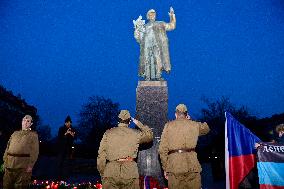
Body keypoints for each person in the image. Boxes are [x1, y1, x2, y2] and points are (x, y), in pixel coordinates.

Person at [97, 110, 153, 189]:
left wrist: (103, 173)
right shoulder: (136, 134)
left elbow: (101, 155)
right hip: (129, 171)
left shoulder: (108, 133)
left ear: (118, 120)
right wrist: (138, 123)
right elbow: (149, 136)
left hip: (111, 171)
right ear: (129, 122)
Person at [158, 104, 210, 189]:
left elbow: (162, 150)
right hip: (192, 165)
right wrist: (191, 120)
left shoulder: (168, 126)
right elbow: (206, 128)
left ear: (175, 114)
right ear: (186, 114)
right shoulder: (194, 125)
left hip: (174, 165)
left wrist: (165, 167)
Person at [134, 7, 176, 81]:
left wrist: (172, 16)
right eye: (150, 14)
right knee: (147, 61)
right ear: (148, 16)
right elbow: (138, 38)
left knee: (158, 60)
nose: (152, 16)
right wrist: (137, 29)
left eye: (153, 14)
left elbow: (171, 26)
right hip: (147, 46)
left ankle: (158, 76)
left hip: (157, 46)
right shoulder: (144, 27)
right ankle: (147, 77)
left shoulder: (160, 24)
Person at [3, 115, 39, 189]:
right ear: (21, 122)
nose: (25, 122)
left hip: (23, 166)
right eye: (24, 120)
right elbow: (8, 147)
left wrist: (31, 165)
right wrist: (5, 161)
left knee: (20, 186)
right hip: (9, 165)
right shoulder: (14, 133)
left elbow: (35, 151)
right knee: (6, 186)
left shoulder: (33, 135)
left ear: (31, 124)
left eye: (28, 121)